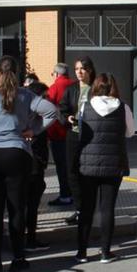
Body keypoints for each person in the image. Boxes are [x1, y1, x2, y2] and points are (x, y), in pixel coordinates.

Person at [0, 56, 57, 272]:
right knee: (17, 208)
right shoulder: (26, 95)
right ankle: (18, 257)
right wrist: (33, 130)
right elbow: (51, 111)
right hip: (16, 154)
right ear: (16, 74)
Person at [75, 73, 134, 264]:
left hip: (88, 165)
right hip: (113, 164)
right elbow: (130, 132)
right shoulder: (123, 107)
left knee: (86, 208)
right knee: (107, 208)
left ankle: (81, 252)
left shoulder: (86, 106)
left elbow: (82, 132)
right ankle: (105, 252)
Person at [59, 56, 96, 225]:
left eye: (82, 68)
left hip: (91, 137)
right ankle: (80, 209)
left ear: (89, 70)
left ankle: (89, 209)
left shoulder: (96, 88)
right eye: (76, 69)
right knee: (72, 172)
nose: (79, 72)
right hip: (74, 135)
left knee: (88, 173)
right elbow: (62, 109)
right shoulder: (71, 89)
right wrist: (67, 118)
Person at [24, 81, 51, 251]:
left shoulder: (25, 113)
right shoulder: (35, 118)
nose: (48, 100)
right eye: (45, 96)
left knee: (28, 202)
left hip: (32, 160)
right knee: (31, 202)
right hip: (33, 161)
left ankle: (27, 237)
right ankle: (30, 239)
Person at [46, 63, 76, 206]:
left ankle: (65, 195)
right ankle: (76, 194)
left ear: (56, 74)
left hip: (58, 134)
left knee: (61, 167)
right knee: (73, 165)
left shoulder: (54, 88)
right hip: (74, 133)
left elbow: (49, 110)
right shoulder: (75, 86)